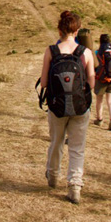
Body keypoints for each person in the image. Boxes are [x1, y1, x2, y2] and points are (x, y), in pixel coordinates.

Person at [40, 11, 96, 204]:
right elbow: (91, 83)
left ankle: (53, 175)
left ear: (59, 29)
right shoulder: (86, 53)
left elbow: (45, 83)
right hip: (80, 107)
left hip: (57, 106)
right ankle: (74, 185)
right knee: (77, 147)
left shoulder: (51, 51)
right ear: (78, 30)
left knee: (56, 141)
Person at [92, 33, 111, 131]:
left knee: (99, 100)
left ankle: (99, 119)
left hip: (101, 79)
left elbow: (95, 65)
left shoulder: (98, 52)